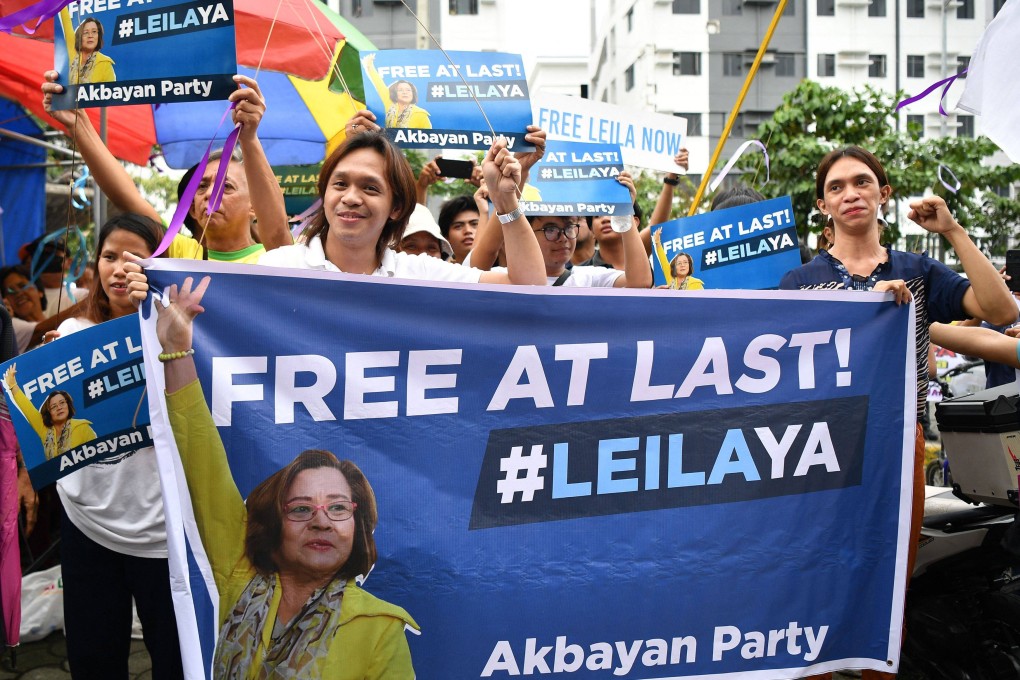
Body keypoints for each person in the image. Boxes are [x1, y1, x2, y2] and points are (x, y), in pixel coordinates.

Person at [780, 146, 1015, 680]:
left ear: (882, 194)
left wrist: (952, 231)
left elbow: (1001, 312)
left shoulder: (919, 271)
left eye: (861, 182)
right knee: (814, 573)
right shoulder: (799, 283)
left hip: (896, 443)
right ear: (823, 205)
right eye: (837, 187)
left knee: (886, 579)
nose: (850, 194)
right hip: (821, 446)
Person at [156, 275, 417, 678]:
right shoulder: (239, 574)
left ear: (357, 525)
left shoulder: (379, 627)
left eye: (337, 508)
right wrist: (176, 350)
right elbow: (201, 456)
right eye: (300, 508)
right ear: (275, 523)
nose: (320, 521)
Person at [18, 214, 184, 678]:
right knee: (93, 657)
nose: (118, 269)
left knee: (173, 656)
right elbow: (46, 432)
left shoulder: (180, 335)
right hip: (86, 525)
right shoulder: (69, 338)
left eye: (135, 258)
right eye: (109, 256)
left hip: (162, 534)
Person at [42, 72, 290, 263]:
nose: (209, 194)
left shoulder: (275, 257)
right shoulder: (180, 252)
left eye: (226, 186)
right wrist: (79, 124)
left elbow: (278, 231)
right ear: (191, 209)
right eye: (201, 186)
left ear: (254, 207)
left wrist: (249, 138)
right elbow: (127, 197)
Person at [2, 368, 94, 461]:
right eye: (54, 406)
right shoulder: (44, 430)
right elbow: (27, 408)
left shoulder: (83, 427)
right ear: (49, 412)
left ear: (68, 405)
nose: (59, 407)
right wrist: (12, 384)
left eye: (62, 403)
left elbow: (100, 458)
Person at [362, 53, 431, 129]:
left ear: (413, 94)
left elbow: (430, 138)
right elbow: (378, 83)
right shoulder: (389, 103)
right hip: (387, 140)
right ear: (395, 93)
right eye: (400, 90)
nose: (405, 92)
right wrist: (369, 65)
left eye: (408, 90)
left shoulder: (421, 114)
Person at [64, 16, 115, 84]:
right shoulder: (73, 52)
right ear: (80, 36)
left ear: (98, 36)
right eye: (85, 32)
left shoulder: (105, 63)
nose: (90, 36)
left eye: (94, 32)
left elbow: (111, 91)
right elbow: (65, 21)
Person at [437, 195, 480, 264]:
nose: (468, 230)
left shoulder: (501, 268)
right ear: (446, 237)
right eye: (458, 226)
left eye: (474, 224)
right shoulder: (440, 271)